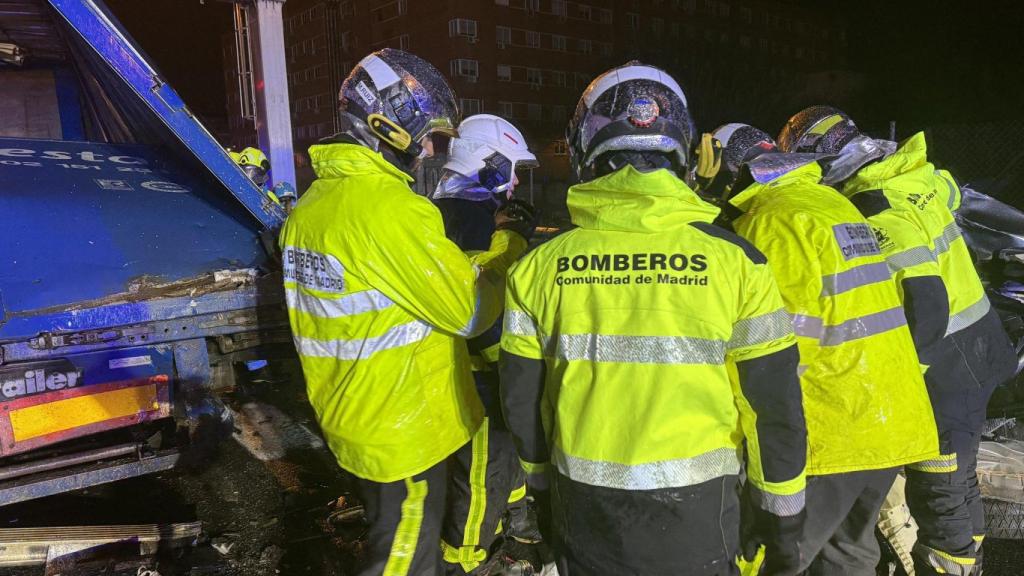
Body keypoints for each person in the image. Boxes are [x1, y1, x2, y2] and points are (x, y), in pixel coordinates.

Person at [499, 62, 808, 576]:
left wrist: (540, 488)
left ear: (585, 153)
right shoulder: (737, 262)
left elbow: (521, 399)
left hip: (585, 501)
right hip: (699, 513)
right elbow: (774, 406)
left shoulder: (537, 267)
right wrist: (782, 521)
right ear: (685, 152)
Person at [279, 49, 534, 575]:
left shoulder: (312, 205)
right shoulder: (390, 209)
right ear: (388, 125)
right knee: (402, 559)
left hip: (352, 414)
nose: (428, 150)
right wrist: (507, 257)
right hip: (403, 433)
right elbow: (469, 313)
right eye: (429, 136)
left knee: (392, 537)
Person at [777, 106, 1017, 576]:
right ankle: (973, 556)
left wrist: (904, 375)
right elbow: (951, 199)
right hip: (984, 340)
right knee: (962, 473)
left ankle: (953, 565)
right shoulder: (915, 173)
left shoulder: (873, 206)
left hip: (946, 360)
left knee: (940, 482)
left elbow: (926, 300)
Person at [715, 123, 941, 575]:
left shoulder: (770, 222)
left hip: (835, 427)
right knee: (848, 554)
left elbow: (780, 345)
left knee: (776, 560)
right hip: (892, 417)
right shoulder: (831, 201)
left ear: (733, 175)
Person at [428, 114, 542, 573]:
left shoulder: (442, 211)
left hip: (467, 369)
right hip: (479, 374)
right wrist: (513, 239)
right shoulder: (471, 218)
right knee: (482, 472)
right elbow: (477, 310)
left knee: (501, 466)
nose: (515, 181)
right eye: (510, 168)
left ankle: (515, 516)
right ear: (488, 163)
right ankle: (466, 559)